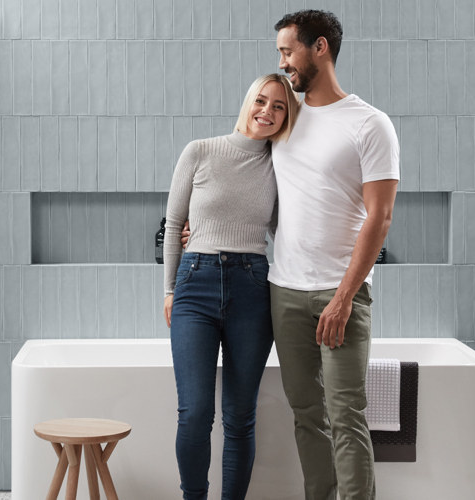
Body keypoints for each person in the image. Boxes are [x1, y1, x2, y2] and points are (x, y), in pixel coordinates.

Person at [272, 9, 400, 500]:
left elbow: (380, 217)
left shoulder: (370, 124)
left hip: (338, 292)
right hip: (284, 290)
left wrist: (344, 297)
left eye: (288, 51)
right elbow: (252, 183)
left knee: (346, 415)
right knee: (307, 415)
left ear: (319, 48)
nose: (283, 62)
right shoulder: (286, 116)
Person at [161, 73, 300, 500]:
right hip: (195, 283)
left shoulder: (281, 164)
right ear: (248, 101)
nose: (268, 112)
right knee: (196, 412)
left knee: (240, 417)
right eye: (262, 100)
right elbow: (172, 225)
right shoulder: (200, 151)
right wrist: (169, 288)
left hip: (253, 287)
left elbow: (288, 230)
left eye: (279, 106)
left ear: (287, 117)